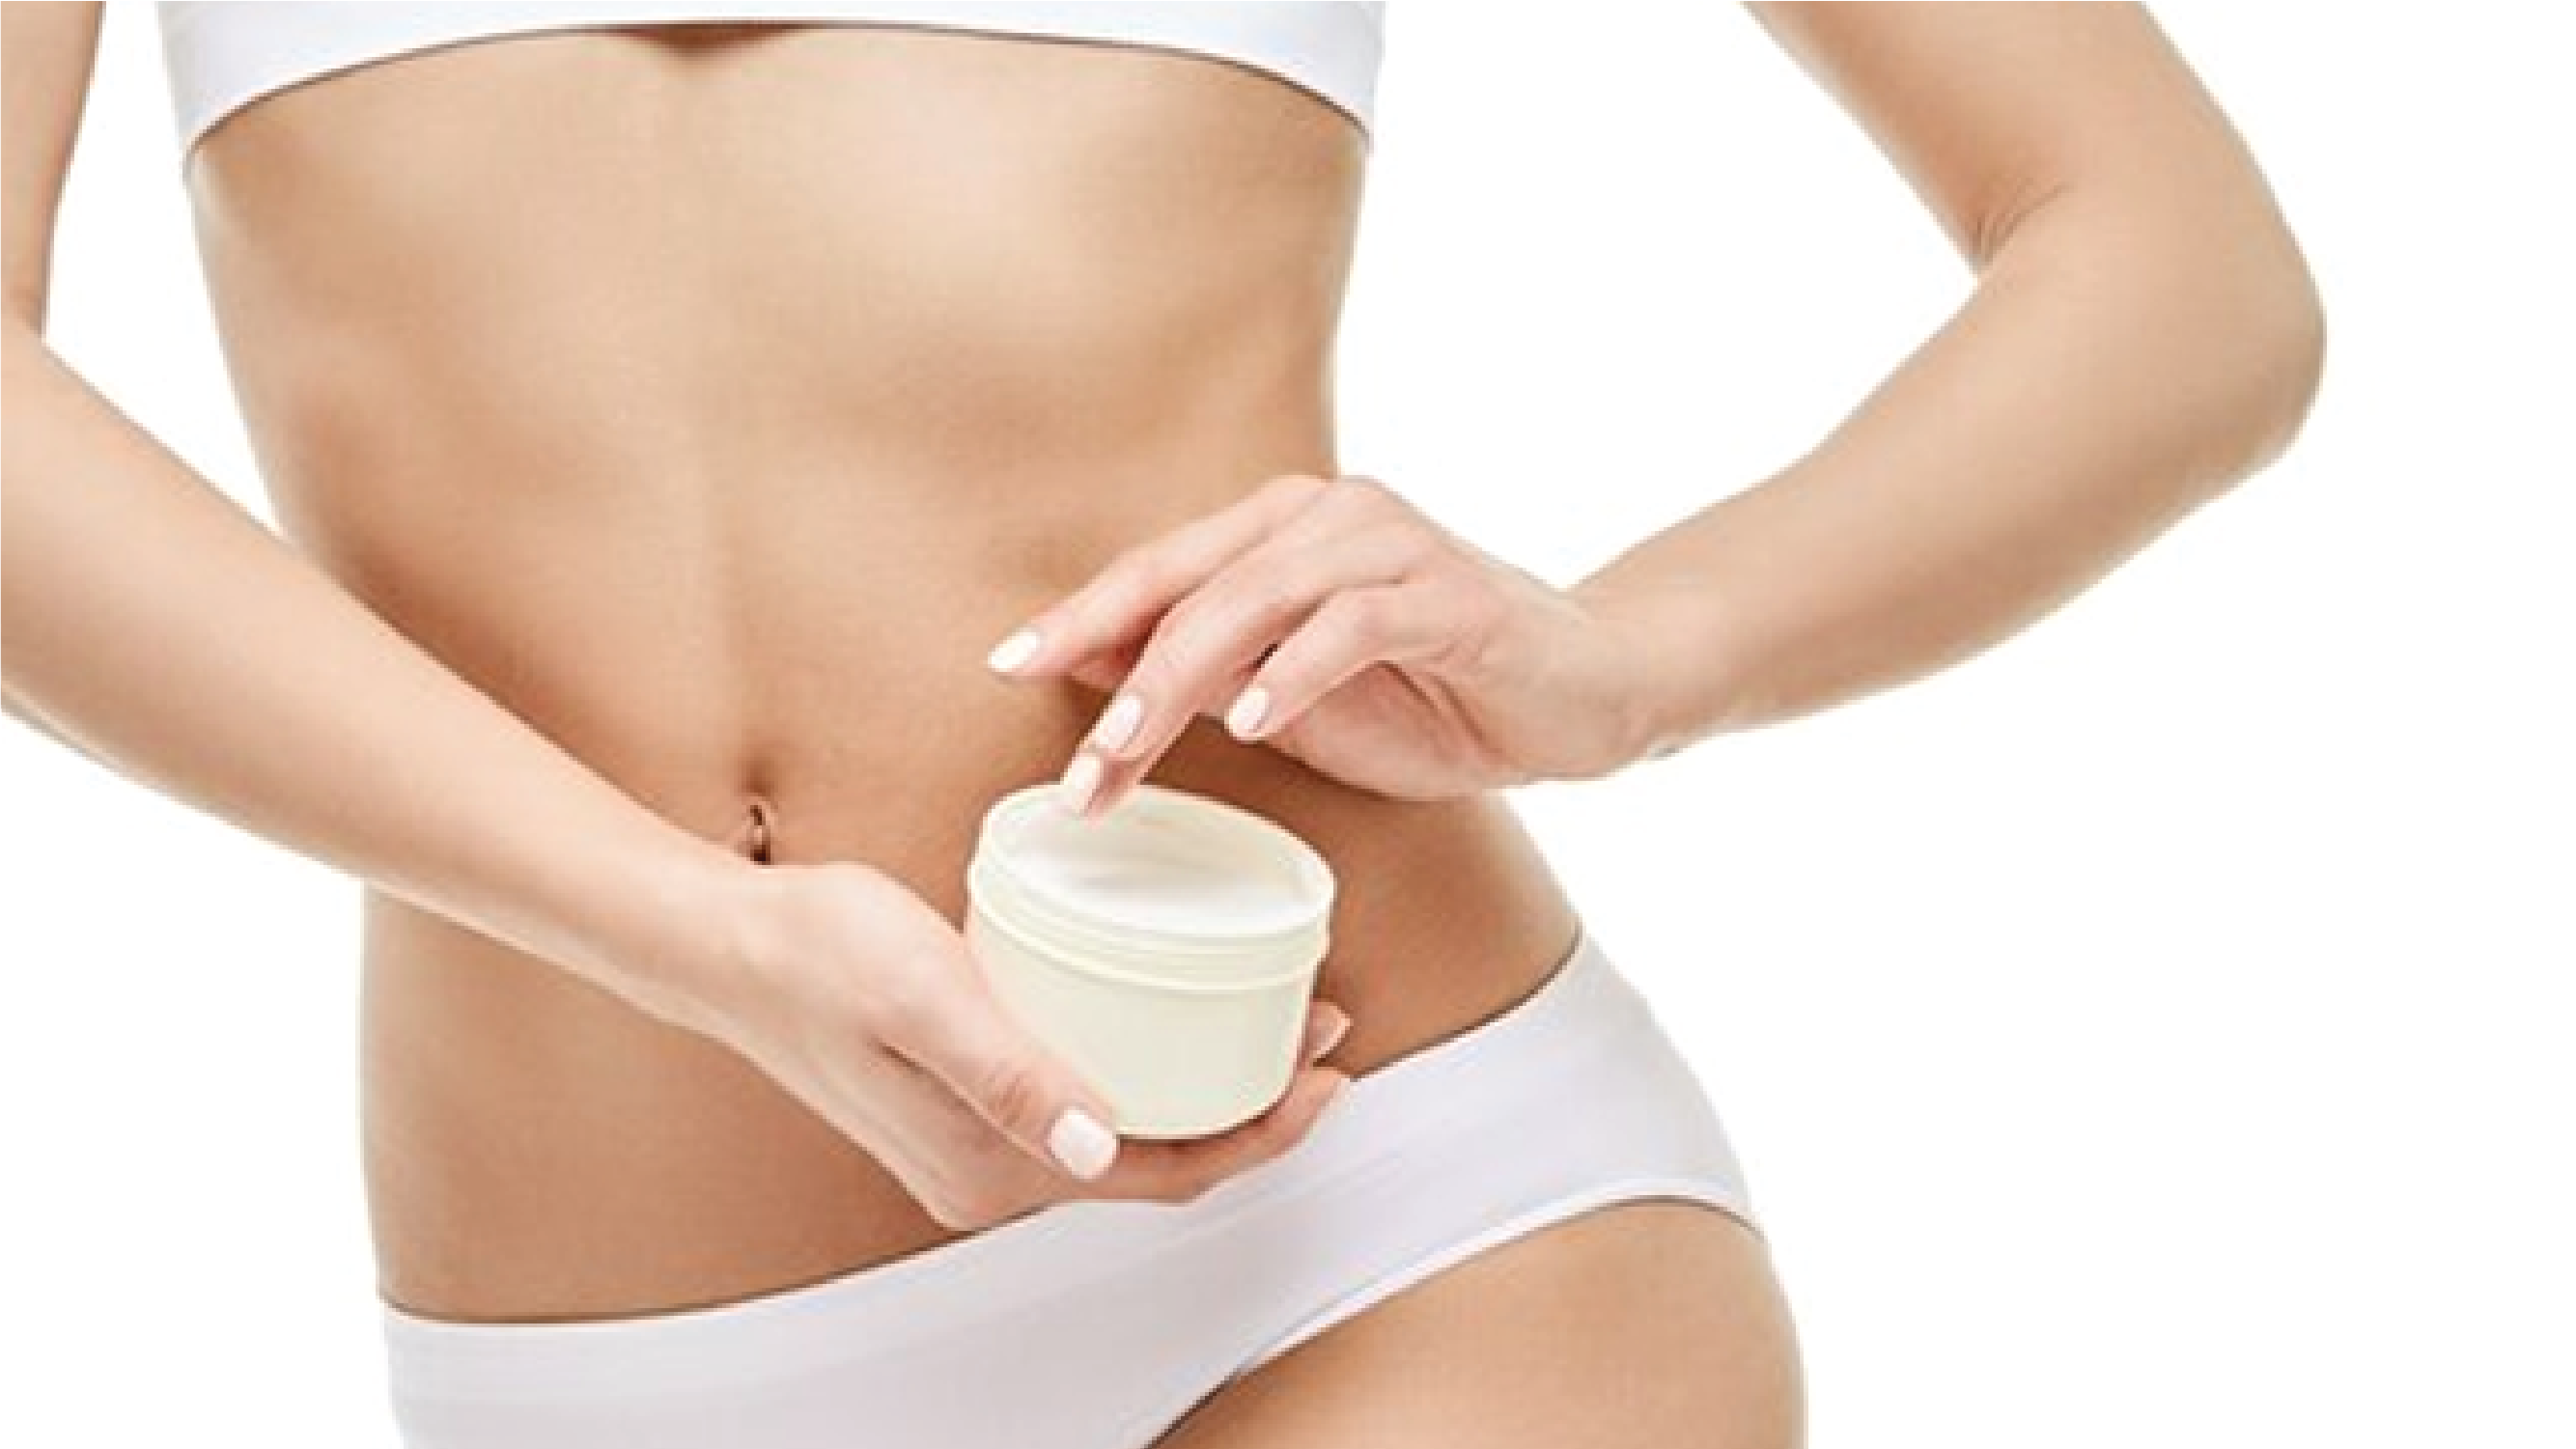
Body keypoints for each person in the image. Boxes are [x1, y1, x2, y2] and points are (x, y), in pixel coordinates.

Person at [0, 3, 2322, 1445]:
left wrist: (1633, 653)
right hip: (598, 1349)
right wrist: (686, 935)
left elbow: (2174, 262)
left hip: (1386, 1244)